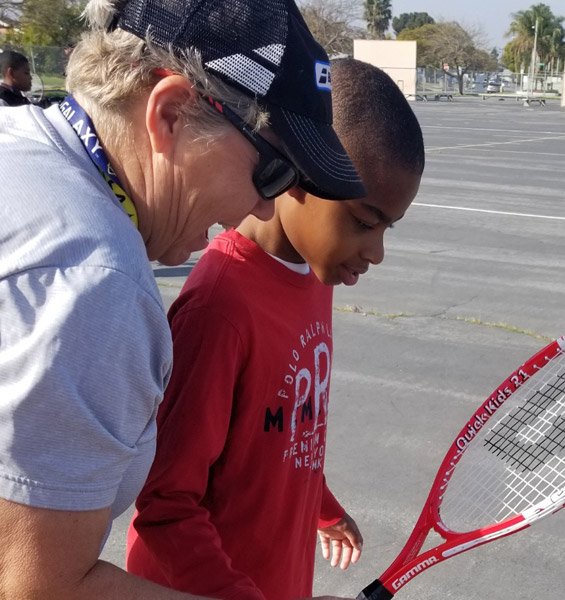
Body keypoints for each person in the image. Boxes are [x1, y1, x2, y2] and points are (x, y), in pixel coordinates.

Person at [0, 0, 365, 598]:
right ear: (169, 114)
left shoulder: (21, 147)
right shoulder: (96, 287)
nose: (266, 206)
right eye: (272, 171)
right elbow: (38, 588)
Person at [125, 57, 425, 600]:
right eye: (364, 221)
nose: (377, 251)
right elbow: (165, 506)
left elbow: (283, 434)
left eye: (389, 227)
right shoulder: (218, 310)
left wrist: (321, 507)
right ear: (295, 174)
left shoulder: (315, 277)